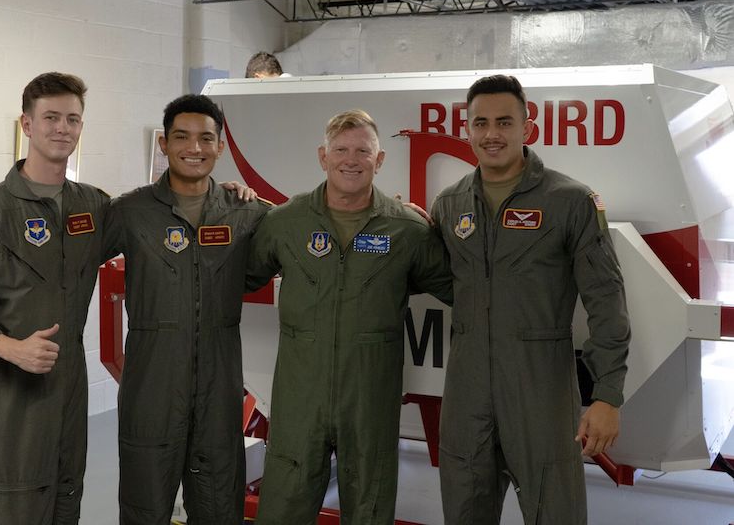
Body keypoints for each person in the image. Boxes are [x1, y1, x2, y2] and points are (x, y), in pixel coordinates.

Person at [433, 74, 631, 525]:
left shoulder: (571, 201)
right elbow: (446, 281)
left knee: (555, 512)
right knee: (463, 510)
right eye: (480, 123)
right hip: (466, 392)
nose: (492, 134)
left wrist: (607, 396)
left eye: (504, 122)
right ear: (467, 130)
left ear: (527, 127)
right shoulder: (450, 203)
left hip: (540, 390)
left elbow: (606, 301)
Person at [246, 109, 452, 524]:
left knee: (370, 508)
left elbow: (460, 287)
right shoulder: (285, 222)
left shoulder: (407, 229)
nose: (351, 160)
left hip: (370, 400)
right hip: (299, 398)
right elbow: (239, 276)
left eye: (363, 151)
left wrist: (449, 231)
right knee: (283, 506)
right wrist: (231, 204)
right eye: (340, 150)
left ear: (379, 160)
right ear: (323, 156)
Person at [0, 72, 109, 525]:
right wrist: (10, 348)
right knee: (8, 506)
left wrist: (228, 193)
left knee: (65, 498)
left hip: (69, 391)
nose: (62, 128)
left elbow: (153, 216)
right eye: (51, 117)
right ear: (27, 124)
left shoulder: (92, 206)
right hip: (10, 395)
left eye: (72, 119)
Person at [105, 94, 269, 524]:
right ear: (164, 143)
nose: (194, 148)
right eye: (181, 137)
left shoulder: (245, 211)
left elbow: (305, 231)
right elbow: (69, 259)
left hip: (220, 387)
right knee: (145, 507)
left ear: (220, 147)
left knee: (219, 507)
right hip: (151, 387)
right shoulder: (130, 211)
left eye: (205, 138)